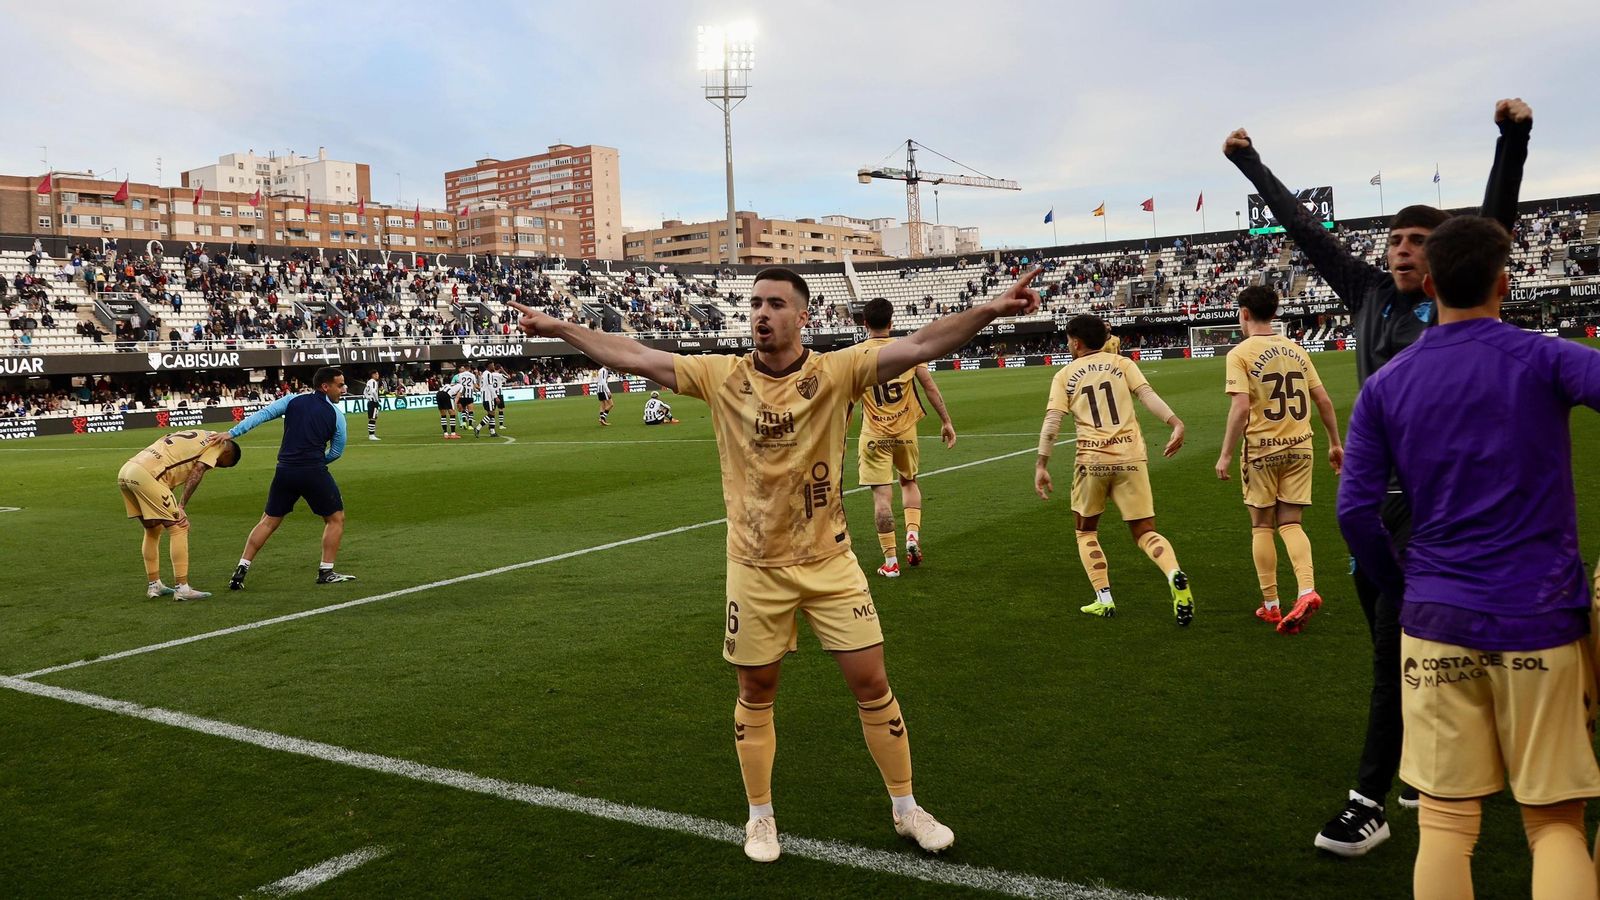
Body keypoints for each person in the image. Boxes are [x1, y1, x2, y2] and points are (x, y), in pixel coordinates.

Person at [509, 266, 1044, 864]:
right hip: (755, 565)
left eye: (776, 304)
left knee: (872, 684)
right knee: (756, 691)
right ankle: (760, 817)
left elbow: (922, 344)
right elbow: (634, 355)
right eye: (755, 303)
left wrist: (993, 308)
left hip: (831, 560)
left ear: (804, 316)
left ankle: (905, 807)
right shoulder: (720, 376)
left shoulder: (836, 372)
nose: (761, 313)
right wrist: (559, 325)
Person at [1225, 97, 1532, 855]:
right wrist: (1248, 162)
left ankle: (1370, 799)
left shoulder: (1455, 307)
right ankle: (1447, 762)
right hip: (1375, 508)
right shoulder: (1363, 293)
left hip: (1441, 512)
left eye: (1419, 241)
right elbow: (1304, 229)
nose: (1401, 250)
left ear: (1446, 257)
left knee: (1400, 657)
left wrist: (1513, 140)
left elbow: (1494, 222)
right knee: (1401, 652)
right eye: (1394, 239)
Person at [1338, 215, 1600, 900]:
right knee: (1554, 826)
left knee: (1448, 825)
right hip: (1540, 617)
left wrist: (1402, 583)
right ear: (1504, 283)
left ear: (1427, 284)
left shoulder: (1386, 385)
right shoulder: (1543, 356)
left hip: (1433, 621)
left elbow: (1353, 513)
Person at [1034, 314, 1192, 623]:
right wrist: (1175, 422)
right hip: (1131, 457)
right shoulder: (1122, 364)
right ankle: (1173, 573)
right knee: (1146, 532)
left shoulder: (1065, 374)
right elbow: (1147, 395)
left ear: (1076, 342)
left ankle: (1104, 598)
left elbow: (1053, 422)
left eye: (1068, 339)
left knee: (1086, 531)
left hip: (1091, 461)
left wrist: (1042, 463)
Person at [1214, 286, 1343, 633]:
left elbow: (1241, 407)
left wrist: (1225, 454)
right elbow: (1324, 401)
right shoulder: (1296, 349)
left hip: (1262, 448)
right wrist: (1334, 443)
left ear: (1243, 313)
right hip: (1302, 447)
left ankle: (1271, 604)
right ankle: (1306, 589)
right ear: (1274, 312)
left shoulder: (1240, 353)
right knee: (1291, 524)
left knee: (1261, 525)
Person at [223, 367, 356, 588]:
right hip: (313, 471)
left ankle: (241, 570)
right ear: (325, 386)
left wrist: (232, 433)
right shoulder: (336, 415)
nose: (344, 389)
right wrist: (315, 464)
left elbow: (263, 415)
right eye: (340, 385)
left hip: (284, 470)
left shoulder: (292, 400)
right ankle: (326, 572)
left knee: (268, 521)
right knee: (335, 519)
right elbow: (336, 452)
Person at [853, 297, 956, 578]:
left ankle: (891, 562)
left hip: (874, 436)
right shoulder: (908, 350)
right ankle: (912, 536)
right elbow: (930, 388)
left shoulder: (855, 355)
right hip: (905, 433)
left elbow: (845, 403)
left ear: (864, 323)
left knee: (881, 497)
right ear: (892, 322)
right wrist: (946, 421)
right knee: (909, 481)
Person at [117, 429, 241, 600]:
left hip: (127, 471)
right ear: (227, 452)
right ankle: (182, 588)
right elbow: (198, 470)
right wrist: (181, 505)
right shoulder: (219, 444)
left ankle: (155, 585)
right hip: (148, 475)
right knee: (179, 527)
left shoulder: (198, 434)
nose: (216, 465)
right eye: (221, 463)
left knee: (152, 529)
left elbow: (172, 465)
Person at [474, 361, 503, 437]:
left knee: (492, 413)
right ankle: (478, 427)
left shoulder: (484, 374)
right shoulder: (488, 374)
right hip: (488, 397)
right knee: (491, 414)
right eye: (492, 365)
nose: (493, 366)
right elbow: (490, 386)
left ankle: (492, 431)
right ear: (489, 366)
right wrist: (495, 396)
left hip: (485, 396)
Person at [452, 363, 478, 430]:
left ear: (464, 368)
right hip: (469, 395)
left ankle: (463, 422)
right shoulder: (472, 375)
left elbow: (458, 385)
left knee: (463, 409)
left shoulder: (459, 375)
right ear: (469, 368)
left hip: (462, 395)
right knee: (470, 411)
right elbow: (475, 385)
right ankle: (470, 425)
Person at [363, 370, 382, 442]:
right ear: (373, 375)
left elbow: (364, 392)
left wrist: (368, 398)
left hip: (370, 402)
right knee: (373, 418)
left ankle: (371, 435)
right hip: (373, 402)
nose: (378, 375)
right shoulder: (373, 382)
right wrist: (376, 399)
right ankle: (371, 435)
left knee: (372, 417)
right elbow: (374, 391)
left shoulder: (368, 382)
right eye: (376, 374)